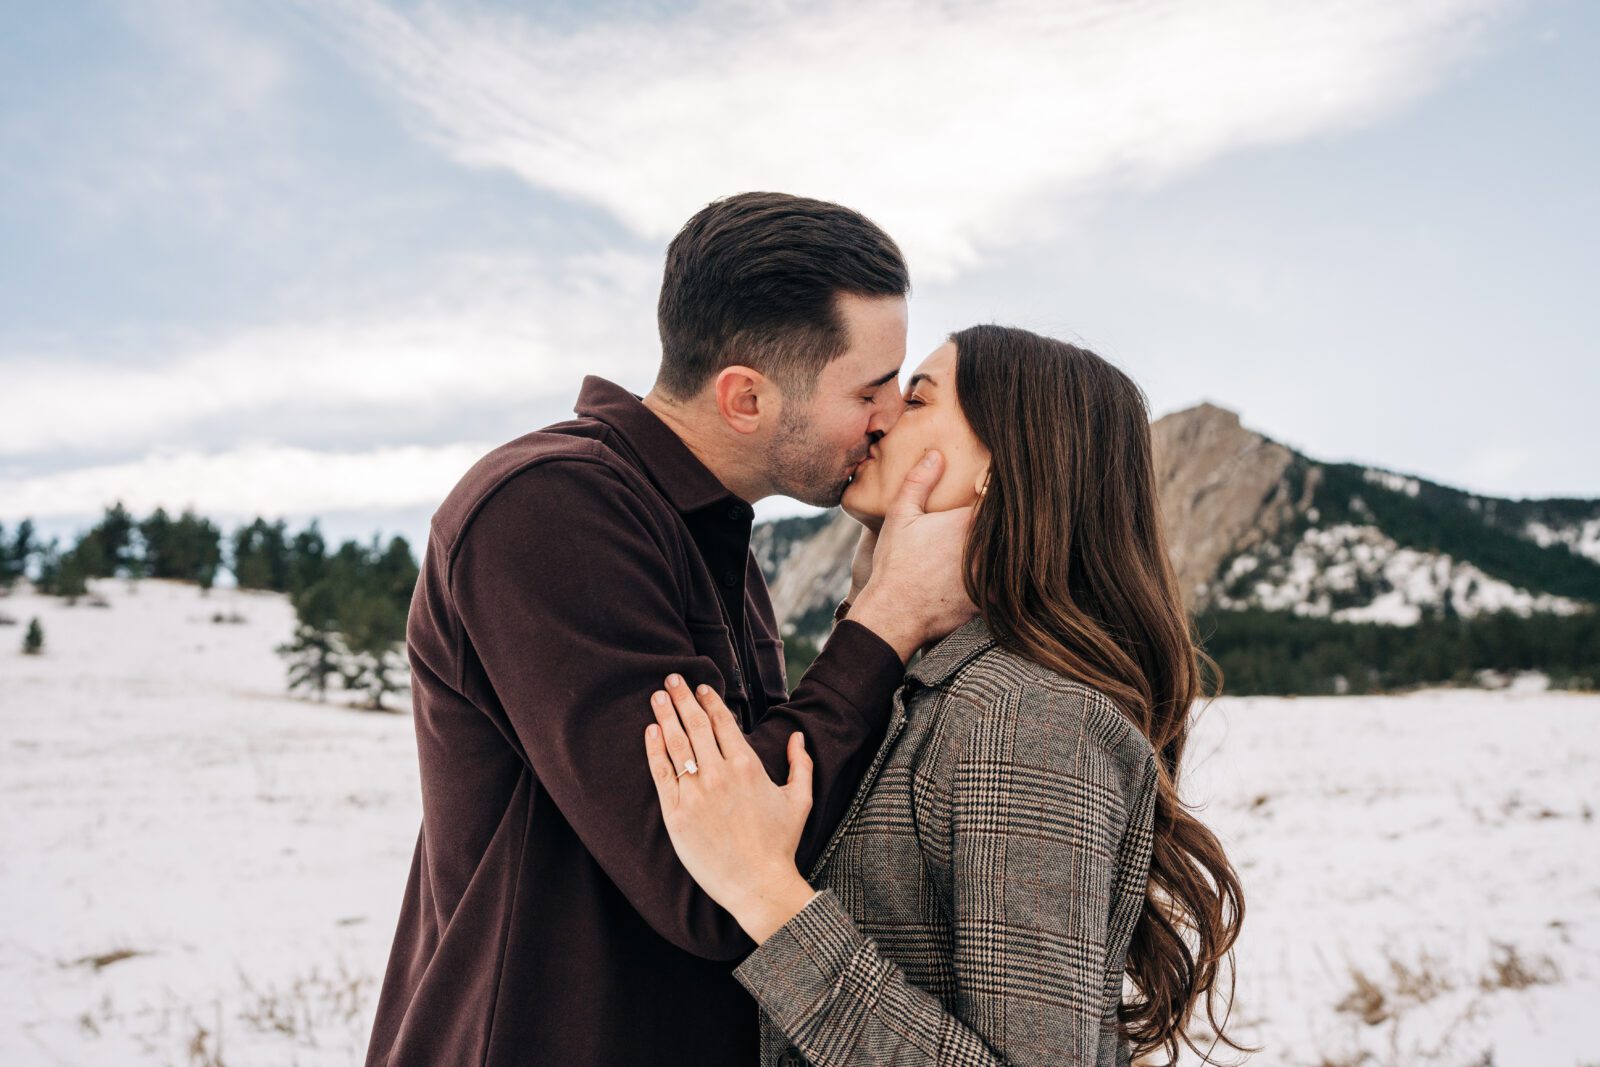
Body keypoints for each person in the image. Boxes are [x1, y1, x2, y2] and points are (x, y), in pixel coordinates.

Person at [364, 193, 977, 1066]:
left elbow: (776, 811)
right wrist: (889, 618)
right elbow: (710, 881)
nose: (885, 418)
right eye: (869, 389)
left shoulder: (708, 538)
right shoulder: (548, 511)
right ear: (745, 398)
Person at [642, 325, 1251, 1066]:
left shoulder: (1024, 715)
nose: (881, 415)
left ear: (999, 465)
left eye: (917, 398)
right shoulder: (933, 688)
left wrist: (771, 899)